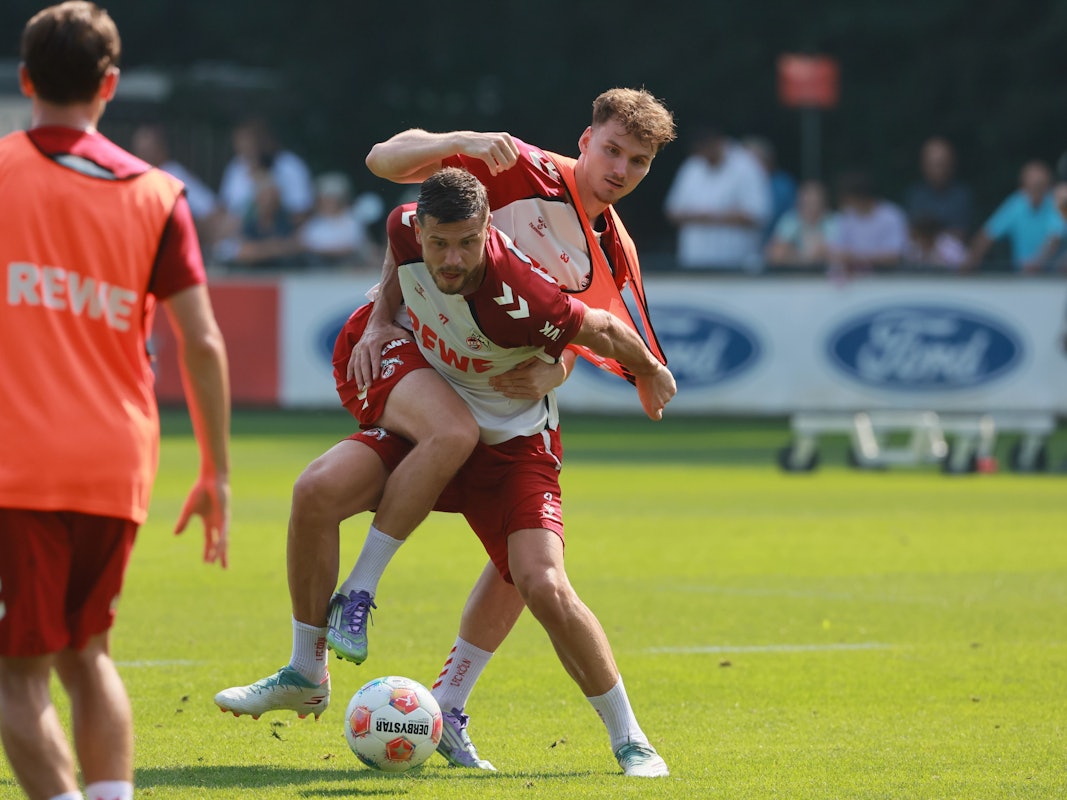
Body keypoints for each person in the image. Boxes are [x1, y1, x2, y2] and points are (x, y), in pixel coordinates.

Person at [216, 88, 677, 775]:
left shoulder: (609, 255)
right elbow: (392, 180)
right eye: (611, 150)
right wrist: (454, 142)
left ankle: (585, 730)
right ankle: (310, 662)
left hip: (514, 423)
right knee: (321, 489)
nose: (618, 169)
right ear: (585, 139)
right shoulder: (512, 167)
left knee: (535, 579)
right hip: (434, 381)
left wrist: (567, 373)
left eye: (636, 162)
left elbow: (581, 330)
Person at [0, 5, 232, 800]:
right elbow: (202, 343)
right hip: (114, 466)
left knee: (18, 673)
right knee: (87, 653)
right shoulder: (158, 194)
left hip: (16, 467)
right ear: (110, 86)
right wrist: (216, 472)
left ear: (26, 80)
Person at [663, 124, 772, 270]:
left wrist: (713, 216)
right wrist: (698, 216)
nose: (704, 155)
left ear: (718, 143)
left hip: (737, 265)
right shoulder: (692, 166)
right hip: (693, 261)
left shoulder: (746, 165)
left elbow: (758, 213)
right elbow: (672, 211)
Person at [966, 159, 1066, 273]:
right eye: (1032, 186)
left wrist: (1036, 263)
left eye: (1040, 186)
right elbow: (987, 234)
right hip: (1021, 279)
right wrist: (971, 259)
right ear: (1023, 186)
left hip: (1054, 279)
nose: (1036, 191)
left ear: (1048, 186)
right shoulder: (1017, 203)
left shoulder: (1059, 202)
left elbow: (1054, 238)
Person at [828, 169, 909, 275]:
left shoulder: (891, 216)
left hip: (887, 281)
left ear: (861, 197)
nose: (846, 202)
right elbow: (836, 252)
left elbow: (894, 256)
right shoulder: (846, 216)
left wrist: (855, 257)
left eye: (848, 198)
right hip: (854, 283)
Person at [299, 171, 383, 267]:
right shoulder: (314, 223)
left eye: (329, 199)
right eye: (322, 199)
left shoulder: (353, 220)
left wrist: (316, 249)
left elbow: (350, 246)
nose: (325, 203)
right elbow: (303, 244)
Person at [903, 136, 974, 240]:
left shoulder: (963, 196)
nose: (938, 169)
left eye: (942, 164)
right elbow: (910, 233)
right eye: (933, 164)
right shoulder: (914, 195)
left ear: (952, 164)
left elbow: (962, 233)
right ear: (923, 165)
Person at [764, 179, 837, 267]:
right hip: (794, 277)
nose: (811, 206)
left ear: (823, 203)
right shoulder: (790, 220)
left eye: (815, 202)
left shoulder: (833, 221)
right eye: (807, 202)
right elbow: (776, 254)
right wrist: (806, 257)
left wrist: (794, 254)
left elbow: (837, 254)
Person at [744, 135, 797, 243]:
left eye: (749, 162)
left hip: (775, 249)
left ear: (767, 161)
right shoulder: (741, 186)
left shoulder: (782, 186)